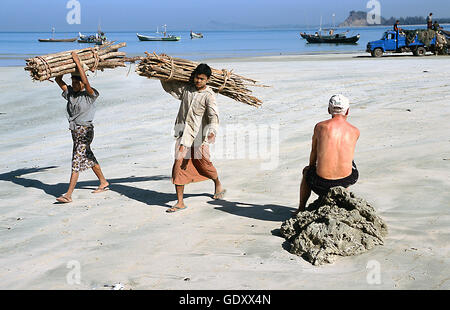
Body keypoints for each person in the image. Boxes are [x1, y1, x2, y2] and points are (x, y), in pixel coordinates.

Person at [160, 62, 225, 213]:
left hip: (198, 137)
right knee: (178, 164)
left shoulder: (209, 96)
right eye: (197, 78)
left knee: (204, 164)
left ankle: (217, 182)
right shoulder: (187, 90)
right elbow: (170, 88)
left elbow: (213, 115)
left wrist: (212, 131)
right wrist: (162, 75)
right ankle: (180, 202)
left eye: (202, 79)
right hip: (183, 136)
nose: (198, 81)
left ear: (207, 79)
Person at [54, 51, 109, 203]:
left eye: (77, 82)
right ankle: (103, 182)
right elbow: (58, 79)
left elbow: (86, 80)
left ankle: (68, 194)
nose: (74, 84)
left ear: (84, 83)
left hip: (85, 132)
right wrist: (66, 66)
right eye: (73, 82)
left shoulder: (90, 94)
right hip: (75, 132)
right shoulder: (70, 93)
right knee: (88, 157)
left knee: (76, 161)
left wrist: (77, 62)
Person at [295, 94, 360, 215]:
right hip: (347, 180)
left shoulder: (320, 127)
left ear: (329, 109)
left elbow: (314, 151)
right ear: (348, 111)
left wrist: (310, 167)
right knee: (348, 160)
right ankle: (342, 196)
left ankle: (301, 208)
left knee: (306, 172)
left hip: (322, 183)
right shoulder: (355, 131)